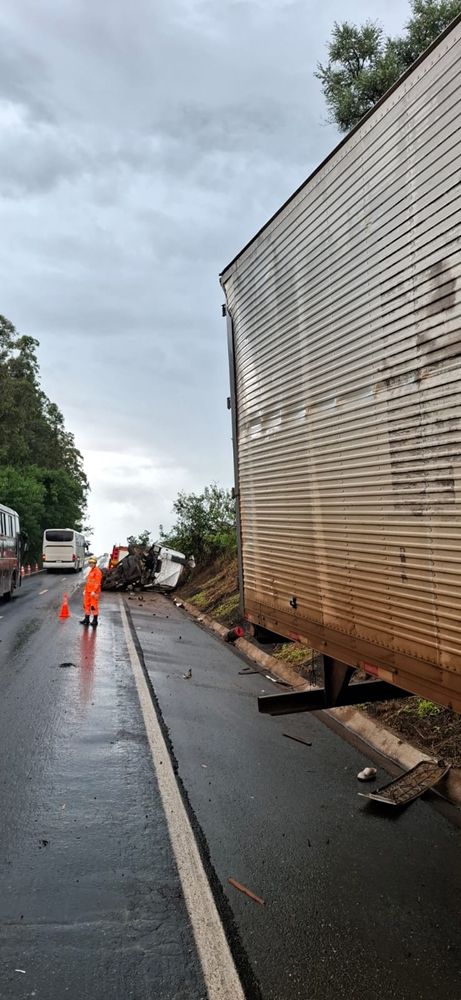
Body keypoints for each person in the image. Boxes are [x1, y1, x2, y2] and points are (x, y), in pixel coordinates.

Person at [80, 556, 103, 628]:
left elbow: (97, 583)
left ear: (95, 563)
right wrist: (85, 590)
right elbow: (88, 582)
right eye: (90, 563)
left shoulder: (97, 571)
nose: (91, 564)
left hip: (94, 593)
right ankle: (86, 619)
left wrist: (94, 591)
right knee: (86, 605)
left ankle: (95, 620)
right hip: (88, 592)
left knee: (94, 606)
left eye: (92, 563)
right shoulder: (91, 570)